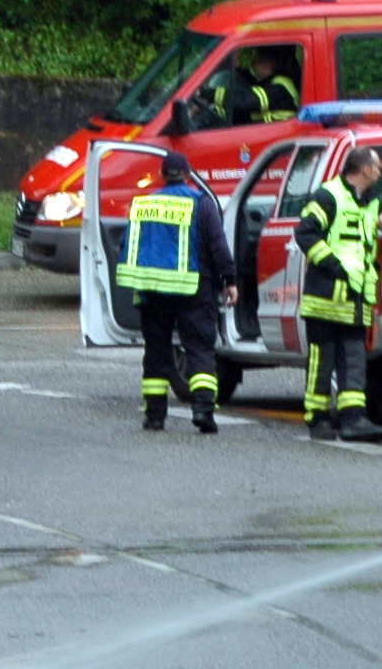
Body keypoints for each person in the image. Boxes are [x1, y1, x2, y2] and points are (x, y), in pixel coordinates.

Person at [116, 149, 237, 434]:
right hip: (193, 288)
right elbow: (217, 244)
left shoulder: (143, 204)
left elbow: (127, 244)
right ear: (187, 174)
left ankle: (155, 416)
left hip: (153, 291)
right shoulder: (202, 203)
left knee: (156, 351)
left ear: (162, 175)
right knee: (199, 349)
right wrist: (229, 279)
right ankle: (203, 411)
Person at [295, 143, 382, 441]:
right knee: (322, 359)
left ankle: (353, 419)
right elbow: (305, 232)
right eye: (377, 166)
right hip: (326, 297)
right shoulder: (329, 195)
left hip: (356, 298)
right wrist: (332, 265)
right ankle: (317, 418)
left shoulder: (373, 200)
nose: (380, 171)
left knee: (354, 360)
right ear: (366, 170)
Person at [212, 46, 301, 126]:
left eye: (259, 61)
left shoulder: (280, 87)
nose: (253, 64)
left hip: (279, 137)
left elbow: (246, 102)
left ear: (272, 63)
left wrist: (210, 95)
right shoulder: (273, 81)